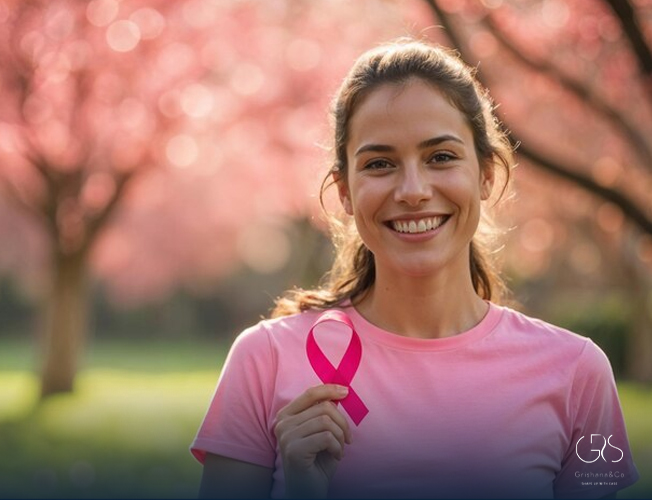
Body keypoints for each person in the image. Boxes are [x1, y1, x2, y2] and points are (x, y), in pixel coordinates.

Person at [191, 38, 639, 499]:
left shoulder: (576, 372)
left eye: (440, 157)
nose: (412, 190)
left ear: (486, 173)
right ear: (345, 190)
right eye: (380, 164)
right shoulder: (265, 360)